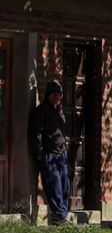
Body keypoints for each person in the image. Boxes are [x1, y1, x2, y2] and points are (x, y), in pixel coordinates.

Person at [28, 80, 71, 224]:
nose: (57, 97)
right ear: (48, 95)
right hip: (49, 156)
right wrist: (39, 152)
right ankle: (59, 217)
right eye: (54, 94)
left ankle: (63, 215)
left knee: (65, 188)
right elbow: (34, 133)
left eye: (59, 94)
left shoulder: (59, 111)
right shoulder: (41, 111)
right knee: (55, 188)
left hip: (61, 155)